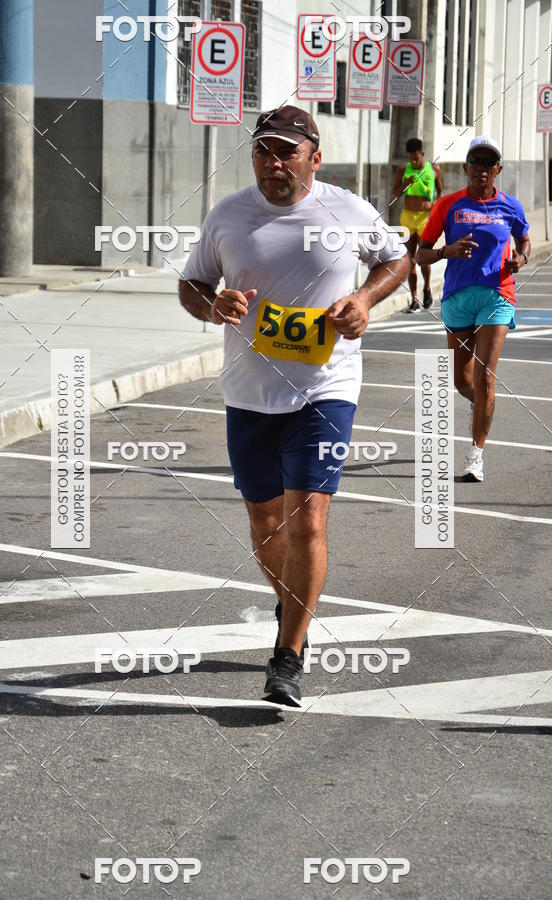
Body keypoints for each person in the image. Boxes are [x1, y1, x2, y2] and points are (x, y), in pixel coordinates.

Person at [179, 106, 409, 707]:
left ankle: (288, 654)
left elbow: (397, 259)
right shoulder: (228, 215)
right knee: (263, 523)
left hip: (324, 389)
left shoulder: (347, 210)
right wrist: (213, 305)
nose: (272, 163)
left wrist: (363, 298)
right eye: (262, 151)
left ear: (314, 155)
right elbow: (192, 282)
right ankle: (294, 604)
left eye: (285, 152)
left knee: (307, 518)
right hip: (249, 392)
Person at [416, 135, 530, 482]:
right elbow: (420, 253)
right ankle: (479, 403)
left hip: (498, 294)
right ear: (466, 168)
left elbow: (523, 237)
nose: (482, 168)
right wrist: (445, 253)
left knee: (484, 376)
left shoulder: (511, 206)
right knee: (462, 381)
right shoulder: (448, 205)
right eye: (475, 162)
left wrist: (520, 258)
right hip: (457, 297)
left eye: (488, 163)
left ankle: (475, 455)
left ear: (498, 169)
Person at [392, 137, 442, 312]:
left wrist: (436, 207)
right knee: (410, 259)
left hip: (425, 218)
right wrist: (405, 185)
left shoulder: (433, 170)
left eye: (416, 158)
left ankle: (427, 288)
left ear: (422, 154)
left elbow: (439, 193)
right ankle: (414, 299)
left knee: (423, 257)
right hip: (407, 217)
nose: (413, 161)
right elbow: (394, 196)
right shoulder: (402, 170)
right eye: (410, 158)